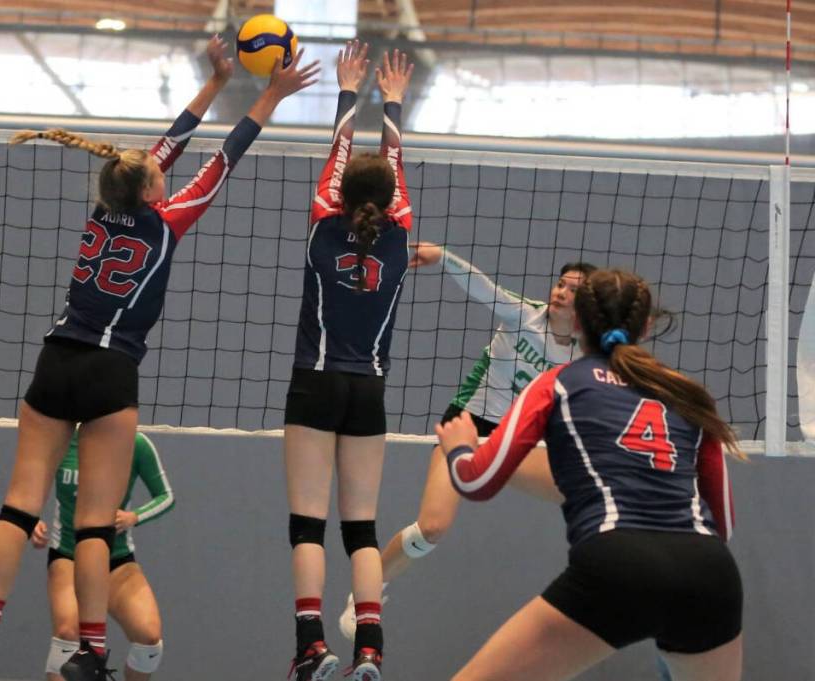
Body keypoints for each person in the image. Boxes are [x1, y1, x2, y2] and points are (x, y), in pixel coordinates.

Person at [0, 37, 319, 681]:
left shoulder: (106, 206)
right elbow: (225, 154)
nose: (169, 173)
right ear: (155, 189)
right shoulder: (168, 217)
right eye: (163, 174)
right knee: (95, 525)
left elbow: (167, 143)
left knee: (19, 504)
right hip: (110, 371)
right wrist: (268, 92)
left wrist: (214, 81)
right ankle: (93, 651)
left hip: (57, 354)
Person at [437, 268, 742, 681]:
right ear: (646, 326)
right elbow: (721, 522)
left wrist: (458, 447)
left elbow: (476, 481)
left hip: (618, 560)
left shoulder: (557, 383)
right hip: (708, 572)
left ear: (578, 322)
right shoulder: (686, 393)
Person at [340, 246, 596, 639]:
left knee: (584, 491)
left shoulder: (586, 354)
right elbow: (481, 287)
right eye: (561, 284)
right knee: (433, 528)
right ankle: (365, 594)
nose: (561, 292)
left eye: (574, 291)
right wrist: (442, 257)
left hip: (518, 439)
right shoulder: (523, 313)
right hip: (467, 427)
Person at [283, 42, 413, 681]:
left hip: (314, 382)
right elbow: (388, 163)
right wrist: (392, 103)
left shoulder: (321, 226)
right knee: (362, 531)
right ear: (391, 199)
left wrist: (348, 91)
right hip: (370, 391)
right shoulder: (401, 231)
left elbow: (337, 157)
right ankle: (369, 649)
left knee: (307, 522)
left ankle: (310, 647)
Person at [31, 430, 173, 681]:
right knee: (67, 633)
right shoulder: (60, 439)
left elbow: (166, 496)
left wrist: (134, 516)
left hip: (115, 561)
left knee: (150, 640)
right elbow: (27, 490)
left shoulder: (135, 443)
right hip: (68, 555)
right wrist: (31, 520)